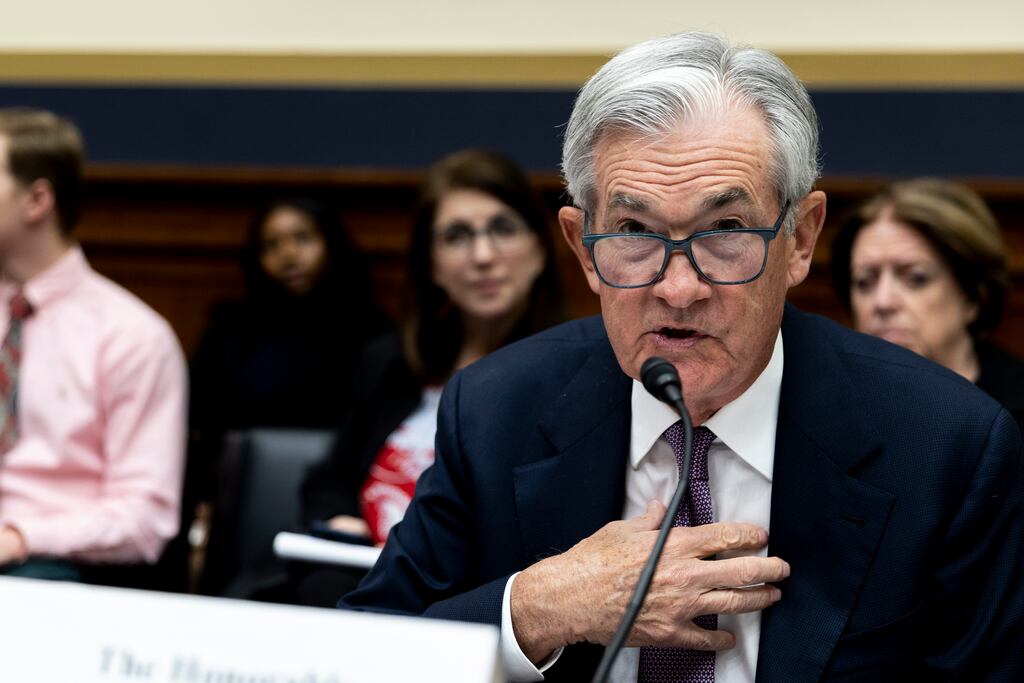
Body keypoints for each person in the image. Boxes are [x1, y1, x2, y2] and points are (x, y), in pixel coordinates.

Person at [340, 33, 1024, 682]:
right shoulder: (496, 410)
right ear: (583, 248)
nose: (677, 288)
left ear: (801, 239)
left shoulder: (944, 446)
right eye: (634, 232)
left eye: (725, 229)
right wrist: (539, 607)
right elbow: (363, 650)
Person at [296, 148, 564, 605]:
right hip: (362, 579)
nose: (483, 256)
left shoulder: (572, 374)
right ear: (433, 264)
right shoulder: (390, 361)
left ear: (540, 248)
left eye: (502, 229)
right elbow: (330, 479)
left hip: (476, 602)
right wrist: (343, 521)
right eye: (457, 236)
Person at [0, 108, 187, 580]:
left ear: (37, 200)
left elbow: (143, 519)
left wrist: (20, 537)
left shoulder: (132, 337)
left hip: (48, 563)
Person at [830, 178, 1024, 428]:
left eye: (915, 279)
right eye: (865, 282)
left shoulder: (1014, 418)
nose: (883, 301)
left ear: (974, 296)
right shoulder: (828, 410)